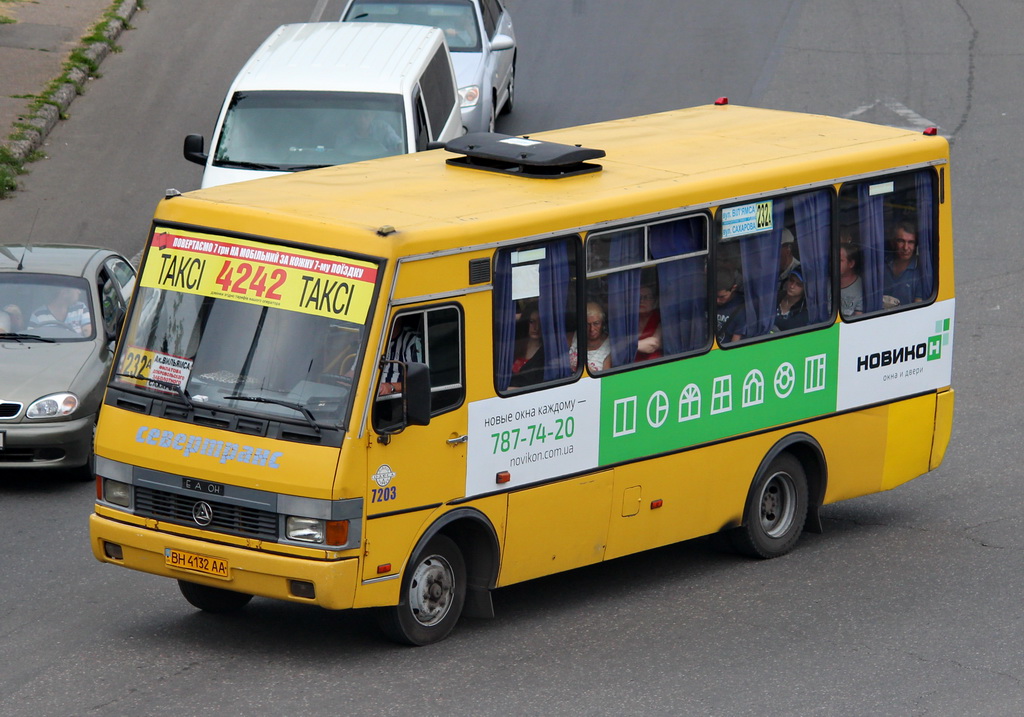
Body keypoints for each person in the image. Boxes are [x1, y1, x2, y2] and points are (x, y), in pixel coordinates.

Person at [883, 220, 926, 308]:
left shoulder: (921, 270)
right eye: (901, 241)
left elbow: (918, 308)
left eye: (911, 242)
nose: (906, 247)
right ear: (893, 242)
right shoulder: (883, 262)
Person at [378, 317, 423, 396]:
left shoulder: (412, 342)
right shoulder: (372, 340)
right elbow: (353, 371)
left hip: (396, 400)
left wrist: (391, 387)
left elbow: (417, 381)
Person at [28, 287, 92, 337]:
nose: (79, 292)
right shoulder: (37, 315)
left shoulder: (80, 308)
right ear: (64, 293)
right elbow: (31, 339)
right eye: (76, 289)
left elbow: (88, 332)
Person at [569, 301, 612, 373]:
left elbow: (605, 379)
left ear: (603, 323)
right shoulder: (574, 337)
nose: (591, 329)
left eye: (596, 323)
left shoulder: (609, 347)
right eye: (587, 324)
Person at [510, 305, 544, 387]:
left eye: (540, 322)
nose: (536, 328)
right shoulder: (514, 346)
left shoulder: (546, 352)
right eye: (532, 322)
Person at [715, 268, 744, 344]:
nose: (717, 301)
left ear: (733, 288)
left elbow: (735, 342)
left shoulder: (741, 309)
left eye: (722, 297)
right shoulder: (708, 302)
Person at [635, 284, 663, 361]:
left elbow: (653, 344)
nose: (642, 301)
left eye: (647, 297)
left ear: (655, 301)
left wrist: (629, 347)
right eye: (639, 297)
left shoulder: (660, 318)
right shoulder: (629, 321)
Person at [839, 242, 864, 319]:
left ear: (851, 263)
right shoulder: (825, 283)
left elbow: (858, 318)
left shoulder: (861, 286)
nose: (833, 263)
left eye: (839, 260)